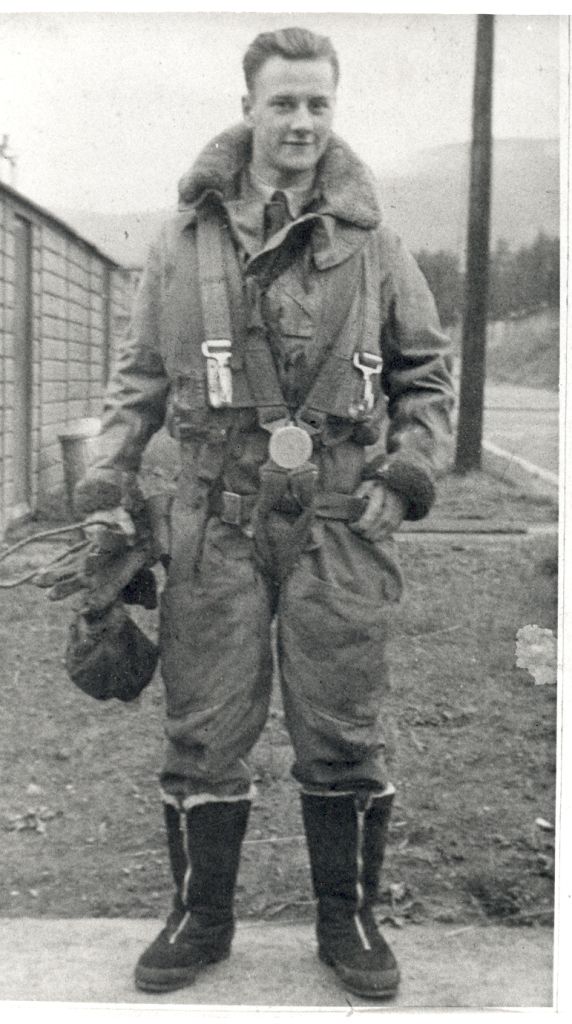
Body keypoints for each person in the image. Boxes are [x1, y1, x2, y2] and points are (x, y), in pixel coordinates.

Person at [74, 25, 454, 1000]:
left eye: (316, 103)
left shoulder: (375, 244)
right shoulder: (181, 240)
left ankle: (349, 917)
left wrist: (405, 472)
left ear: (334, 110)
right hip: (214, 517)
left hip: (339, 519)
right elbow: (137, 382)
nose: (299, 121)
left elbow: (422, 371)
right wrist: (106, 491)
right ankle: (199, 917)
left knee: (343, 726)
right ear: (248, 107)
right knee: (203, 729)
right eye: (281, 102)